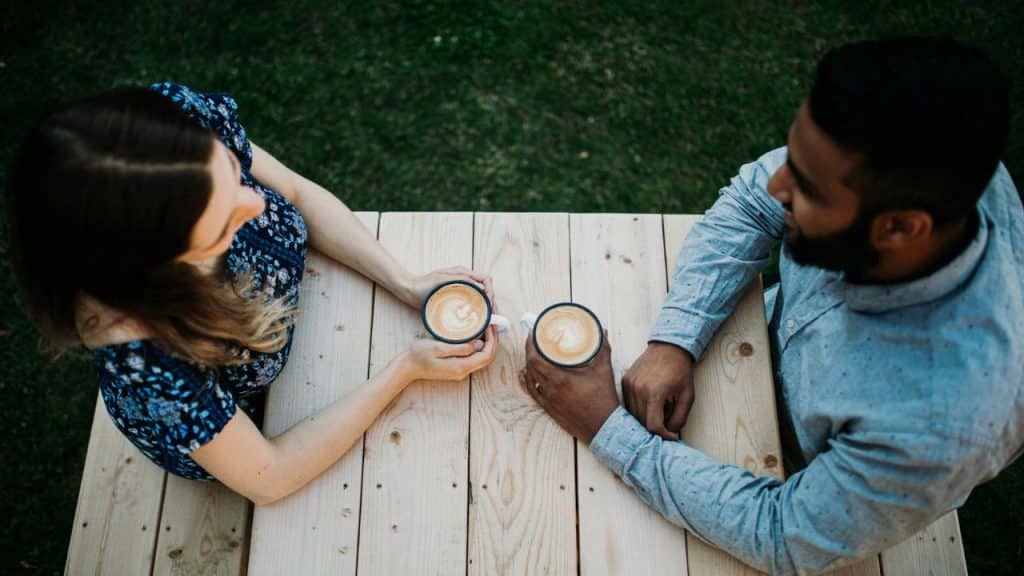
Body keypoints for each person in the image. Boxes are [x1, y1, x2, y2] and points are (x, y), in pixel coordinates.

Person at [522, 37, 1021, 574]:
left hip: (831, 481)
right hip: (752, 364)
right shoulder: (916, 160)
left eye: (805, 185)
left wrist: (604, 426)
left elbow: (784, 535)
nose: (775, 183)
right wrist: (676, 337)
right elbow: (754, 202)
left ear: (900, 227)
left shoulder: (936, 427)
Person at [6, 82, 499, 506]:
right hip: (232, 429)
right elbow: (271, 476)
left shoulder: (168, 134)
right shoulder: (147, 359)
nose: (260, 201)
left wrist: (404, 282)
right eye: (222, 224)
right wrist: (404, 370)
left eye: (232, 172)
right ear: (163, 274)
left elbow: (298, 194)